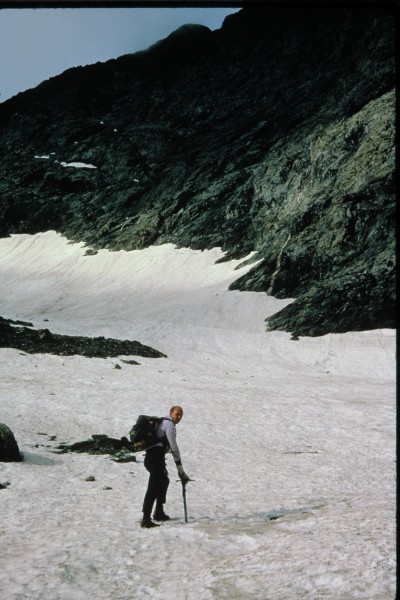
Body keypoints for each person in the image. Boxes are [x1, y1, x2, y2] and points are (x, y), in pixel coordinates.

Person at [141, 405, 190, 528]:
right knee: (153, 487)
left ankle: (158, 512)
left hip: (152, 457)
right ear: (171, 413)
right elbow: (173, 447)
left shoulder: (164, 422)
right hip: (156, 458)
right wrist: (180, 468)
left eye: (181, 415)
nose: (179, 417)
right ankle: (146, 518)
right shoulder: (169, 425)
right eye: (177, 414)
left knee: (163, 481)